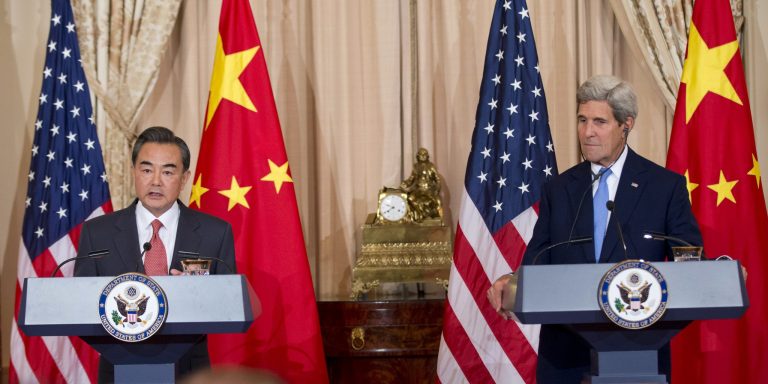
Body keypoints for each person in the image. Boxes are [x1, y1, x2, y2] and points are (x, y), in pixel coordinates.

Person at [487, 75, 703, 383]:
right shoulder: (559, 189)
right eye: (582, 120)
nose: (587, 132)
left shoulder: (664, 187)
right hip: (565, 357)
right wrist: (512, 281)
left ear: (626, 125)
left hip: (637, 351)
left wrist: (719, 272)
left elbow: (689, 263)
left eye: (600, 122)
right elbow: (537, 260)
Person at [74, 126, 237, 383]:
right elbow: (80, 303)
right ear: (134, 172)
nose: (156, 181)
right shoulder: (98, 232)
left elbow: (229, 304)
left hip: (190, 371)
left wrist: (196, 293)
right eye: (147, 170)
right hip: (118, 369)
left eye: (168, 172)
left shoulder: (214, 233)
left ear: (184, 178)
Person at [399, 148, 442, 222]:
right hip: (418, 189)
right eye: (421, 155)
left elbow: (437, 180)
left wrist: (437, 190)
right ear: (418, 156)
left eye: (424, 155)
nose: (423, 157)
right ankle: (420, 215)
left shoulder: (431, 166)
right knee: (410, 199)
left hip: (429, 190)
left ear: (427, 156)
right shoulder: (416, 166)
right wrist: (405, 184)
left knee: (437, 201)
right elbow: (411, 179)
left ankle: (435, 217)